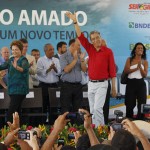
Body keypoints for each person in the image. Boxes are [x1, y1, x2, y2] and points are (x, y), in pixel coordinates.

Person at [65, 12, 117, 126]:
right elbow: (80, 36)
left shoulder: (108, 52)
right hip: (91, 84)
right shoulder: (90, 49)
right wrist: (75, 21)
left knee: (98, 108)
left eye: (97, 37)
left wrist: (114, 87)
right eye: (92, 39)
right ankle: (96, 130)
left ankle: (101, 131)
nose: (95, 40)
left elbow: (112, 71)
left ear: (100, 37)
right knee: (93, 110)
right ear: (91, 40)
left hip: (103, 84)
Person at [0, 40, 29, 123]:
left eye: (16, 49)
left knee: (11, 111)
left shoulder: (24, 60)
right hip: (12, 90)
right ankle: (19, 130)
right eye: (12, 50)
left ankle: (8, 129)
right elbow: (2, 66)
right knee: (17, 111)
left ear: (20, 50)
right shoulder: (11, 59)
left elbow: (24, 69)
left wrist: (17, 67)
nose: (14, 51)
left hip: (20, 90)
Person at [60, 38, 87, 114]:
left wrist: (81, 59)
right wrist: (75, 59)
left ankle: (77, 125)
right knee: (66, 109)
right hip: (66, 86)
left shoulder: (80, 56)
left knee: (79, 109)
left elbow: (84, 69)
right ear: (72, 45)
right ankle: (65, 126)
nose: (79, 47)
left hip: (78, 86)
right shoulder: (63, 56)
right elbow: (66, 70)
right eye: (78, 45)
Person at [124, 42, 148, 119]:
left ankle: (140, 120)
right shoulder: (129, 59)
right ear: (135, 50)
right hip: (131, 84)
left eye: (141, 48)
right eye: (138, 48)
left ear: (143, 51)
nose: (140, 49)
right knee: (129, 104)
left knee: (142, 104)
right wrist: (136, 68)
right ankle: (129, 121)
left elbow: (144, 75)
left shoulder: (145, 62)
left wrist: (140, 67)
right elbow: (126, 70)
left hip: (141, 84)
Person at [37, 43, 61, 114]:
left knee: (54, 105)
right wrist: (49, 68)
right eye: (50, 50)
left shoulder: (56, 60)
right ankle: (43, 124)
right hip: (44, 86)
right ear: (45, 51)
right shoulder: (40, 60)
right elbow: (39, 72)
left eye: (53, 49)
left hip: (54, 86)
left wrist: (54, 68)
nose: (53, 51)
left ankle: (53, 123)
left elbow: (59, 72)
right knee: (44, 105)